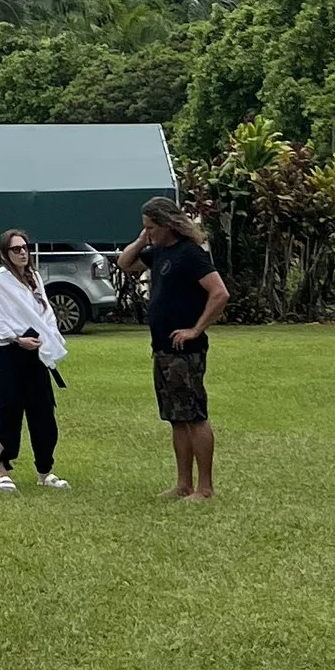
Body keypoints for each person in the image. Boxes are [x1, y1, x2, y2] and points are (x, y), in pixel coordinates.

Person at [114, 195, 229, 498]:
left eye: (152, 226)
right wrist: (142, 240)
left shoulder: (190, 254)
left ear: (168, 225)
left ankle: (205, 488)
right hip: (163, 348)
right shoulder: (159, 252)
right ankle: (183, 484)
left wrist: (196, 329)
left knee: (194, 416)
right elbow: (125, 264)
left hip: (185, 352)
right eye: (145, 227)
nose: (148, 232)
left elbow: (219, 293)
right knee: (176, 418)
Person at [0, 230, 70, 491]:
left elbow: (44, 313)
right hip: (8, 354)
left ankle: (45, 471)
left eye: (25, 248)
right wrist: (17, 338)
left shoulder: (35, 279)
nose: (22, 253)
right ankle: (1, 470)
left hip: (36, 354)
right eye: (16, 249)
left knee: (43, 412)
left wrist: (47, 339)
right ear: (4, 254)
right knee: (7, 411)